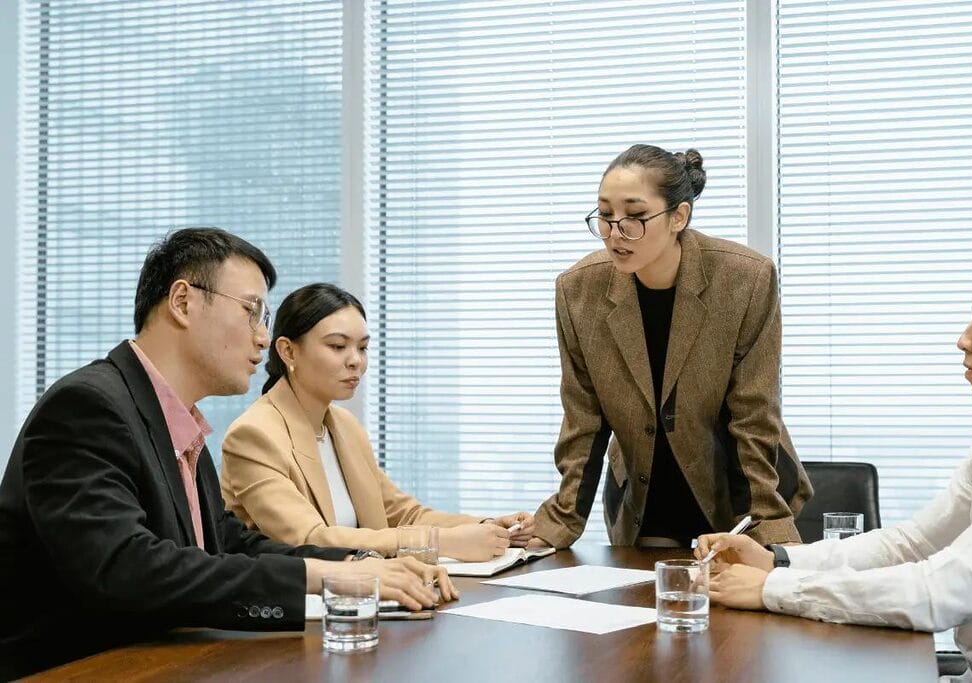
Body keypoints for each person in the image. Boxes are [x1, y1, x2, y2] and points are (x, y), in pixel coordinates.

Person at [0, 229, 455, 680]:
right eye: (252, 311)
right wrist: (320, 578)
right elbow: (129, 569)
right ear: (183, 302)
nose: (262, 337)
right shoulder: (87, 407)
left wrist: (358, 566)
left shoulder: (179, 422)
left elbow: (231, 543)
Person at [696, 243, 972, 683]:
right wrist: (776, 561)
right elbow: (910, 545)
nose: (964, 338)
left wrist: (773, 589)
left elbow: (939, 592)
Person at [529, 144, 812, 550]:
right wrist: (557, 524)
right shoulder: (578, 291)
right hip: (644, 500)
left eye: (636, 216)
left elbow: (754, 414)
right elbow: (583, 419)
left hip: (739, 496)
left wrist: (768, 536)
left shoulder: (744, 279)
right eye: (606, 216)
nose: (616, 233)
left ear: (679, 216)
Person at [220, 283, 534, 560]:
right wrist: (442, 543)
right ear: (288, 351)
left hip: (365, 593)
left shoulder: (344, 425)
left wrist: (487, 527)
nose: (356, 360)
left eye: (363, 347)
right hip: (296, 612)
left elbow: (403, 514)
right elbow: (309, 540)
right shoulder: (254, 435)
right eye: (338, 346)